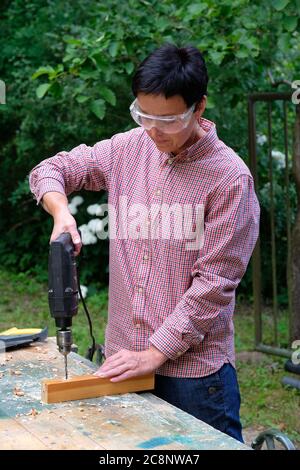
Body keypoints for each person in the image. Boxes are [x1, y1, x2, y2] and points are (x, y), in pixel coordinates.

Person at [29, 43, 260, 443]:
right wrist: (60, 211)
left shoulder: (230, 180)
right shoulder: (127, 149)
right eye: (143, 115)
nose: (153, 131)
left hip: (192, 378)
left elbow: (214, 285)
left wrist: (154, 353)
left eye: (167, 120)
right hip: (121, 360)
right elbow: (51, 169)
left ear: (198, 108)